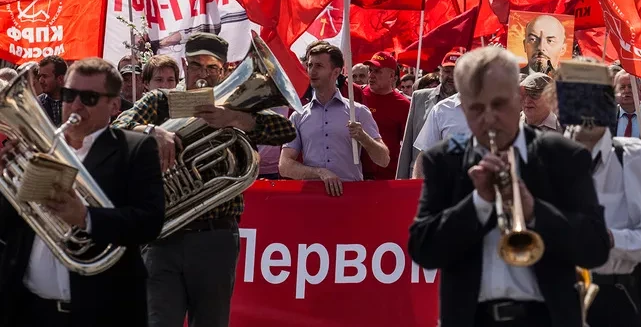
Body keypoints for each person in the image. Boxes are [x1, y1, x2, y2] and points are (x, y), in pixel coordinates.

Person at [407, 46, 611, 327]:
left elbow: (595, 248)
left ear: (519, 98)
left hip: (547, 318)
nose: (489, 118)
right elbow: (424, 250)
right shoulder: (443, 160)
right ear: (463, 107)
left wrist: (534, 211)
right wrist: (478, 203)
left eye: (499, 104)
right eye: (477, 108)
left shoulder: (563, 155)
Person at [112, 32, 296, 327]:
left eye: (212, 68)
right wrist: (151, 132)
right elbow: (116, 130)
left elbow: (285, 130)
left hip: (215, 236)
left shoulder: (236, 106)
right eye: (196, 66)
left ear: (224, 70)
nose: (203, 74)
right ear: (185, 66)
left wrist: (235, 118)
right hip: (162, 237)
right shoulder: (161, 101)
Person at [0, 57, 165, 327]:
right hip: (28, 309)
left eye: (89, 98)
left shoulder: (135, 149)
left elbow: (150, 222)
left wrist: (86, 217)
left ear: (114, 105)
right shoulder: (38, 149)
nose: (75, 105)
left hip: (101, 312)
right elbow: (8, 225)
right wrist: (5, 181)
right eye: (69, 95)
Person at [564, 83, 641, 327]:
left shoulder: (632, 156)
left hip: (614, 296)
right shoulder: (548, 153)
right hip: (562, 295)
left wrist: (610, 239)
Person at [279, 43, 388, 195]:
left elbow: (383, 160)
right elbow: (284, 166)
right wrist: (320, 173)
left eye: (319, 66)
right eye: (310, 65)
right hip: (314, 198)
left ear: (336, 72)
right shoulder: (298, 116)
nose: (312, 71)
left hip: (350, 197)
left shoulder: (358, 112)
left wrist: (364, 137)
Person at [397, 50, 463, 179]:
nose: (451, 76)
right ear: (440, 72)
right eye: (447, 71)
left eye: (455, 72)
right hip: (421, 174)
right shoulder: (420, 97)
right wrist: (402, 179)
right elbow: (408, 141)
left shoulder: (471, 105)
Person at [358, 51, 410, 180]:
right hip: (357, 176)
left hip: (388, 177)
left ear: (392, 76)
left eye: (377, 71)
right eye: (370, 70)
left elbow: (408, 146)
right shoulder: (357, 96)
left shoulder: (404, 105)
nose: (371, 75)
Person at [615, 71, 641, 138]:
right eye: (622, 87)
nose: (626, 91)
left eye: (630, 86)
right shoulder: (608, 116)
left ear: (640, 90)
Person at [35, 55, 66, 126]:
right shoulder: (37, 104)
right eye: (40, 76)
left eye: (45, 76)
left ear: (60, 79)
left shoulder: (76, 102)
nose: (40, 80)